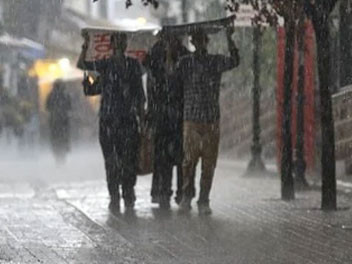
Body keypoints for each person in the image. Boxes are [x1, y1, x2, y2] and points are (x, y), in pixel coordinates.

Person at [77, 32, 145, 212]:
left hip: (128, 120)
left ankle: (128, 193)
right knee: (111, 161)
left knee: (129, 160)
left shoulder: (133, 65)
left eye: (123, 41)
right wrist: (85, 45)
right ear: (112, 45)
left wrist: (142, 117)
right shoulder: (105, 65)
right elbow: (82, 65)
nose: (120, 45)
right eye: (117, 41)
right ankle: (114, 195)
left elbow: (139, 94)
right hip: (109, 121)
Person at [177, 27, 239, 215]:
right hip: (192, 119)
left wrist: (230, 38)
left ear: (206, 41)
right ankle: (187, 196)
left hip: (211, 119)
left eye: (202, 40)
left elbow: (235, 61)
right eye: (196, 40)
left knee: (208, 164)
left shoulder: (215, 61)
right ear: (193, 42)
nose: (200, 43)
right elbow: (171, 73)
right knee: (189, 162)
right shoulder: (185, 62)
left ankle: (204, 199)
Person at [143, 31, 190, 209]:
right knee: (163, 156)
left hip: (178, 114)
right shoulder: (156, 54)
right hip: (162, 114)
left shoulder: (183, 55)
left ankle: (180, 192)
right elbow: (151, 79)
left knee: (179, 156)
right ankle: (163, 192)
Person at [46, 80, 72, 164]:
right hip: (63, 121)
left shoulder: (51, 95)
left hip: (54, 121)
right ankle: (62, 156)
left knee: (55, 139)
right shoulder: (66, 95)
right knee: (63, 138)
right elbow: (70, 107)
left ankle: (58, 157)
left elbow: (47, 107)